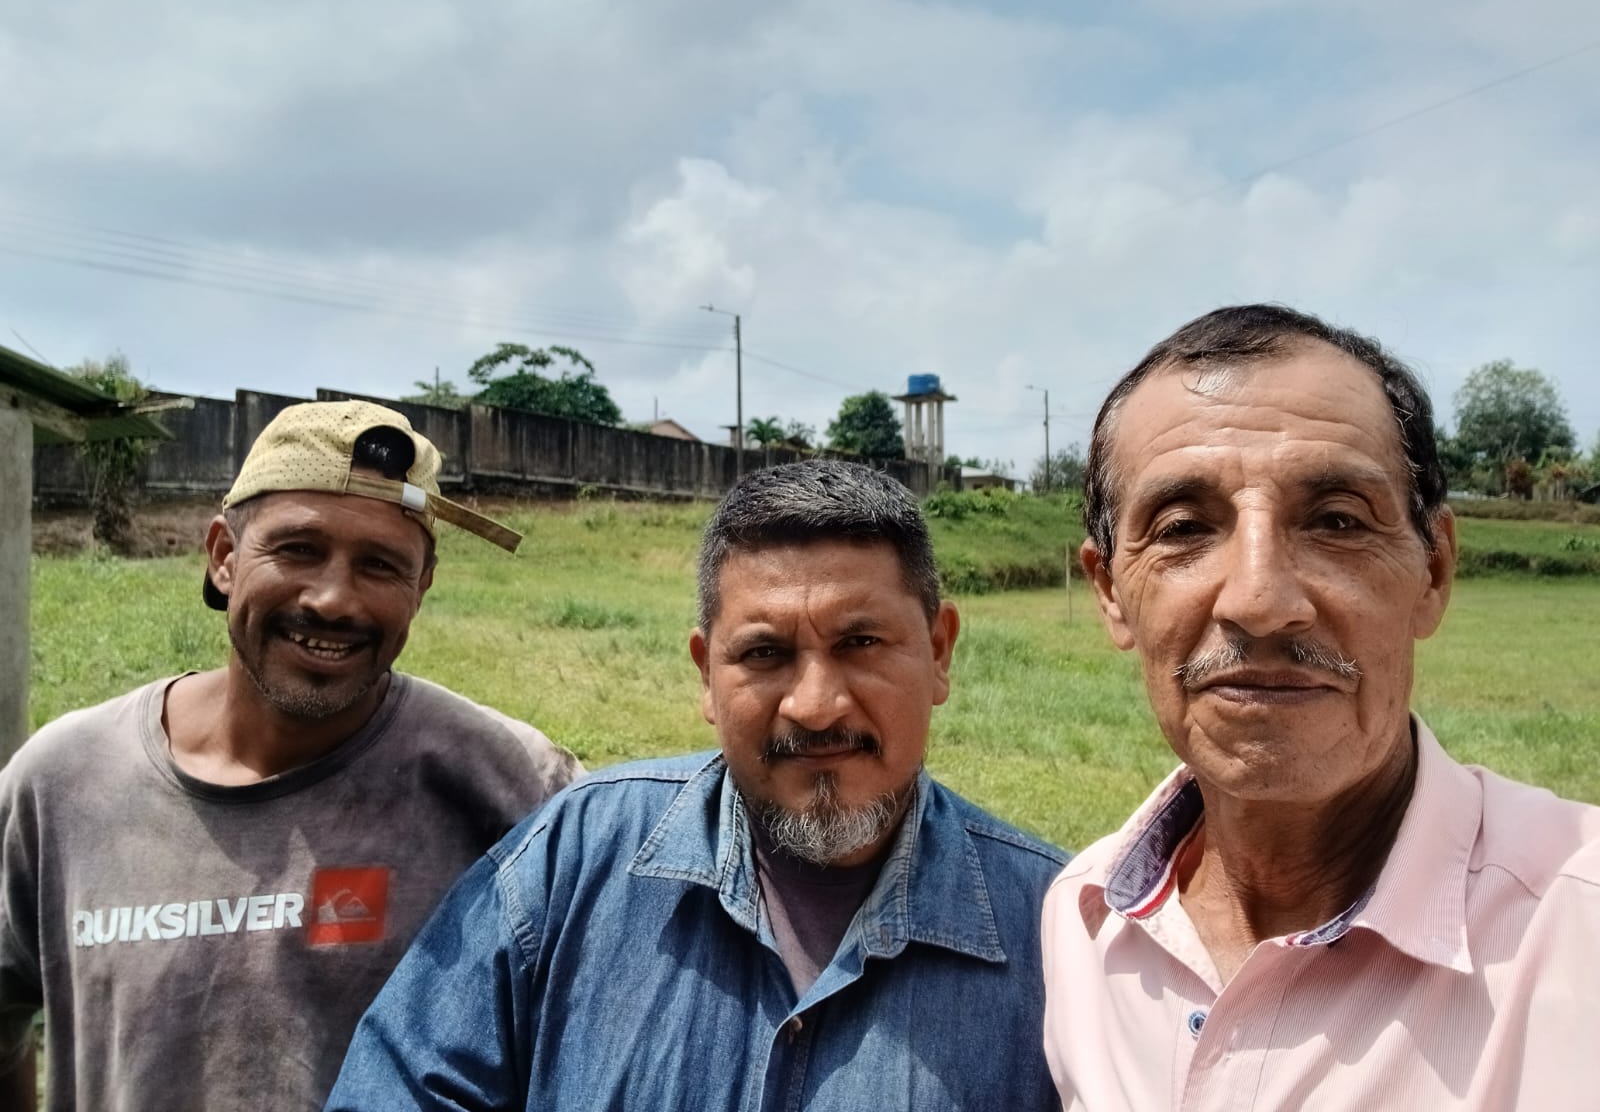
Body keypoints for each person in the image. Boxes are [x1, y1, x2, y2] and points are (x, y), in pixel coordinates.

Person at [326, 459, 1067, 1111]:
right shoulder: (570, 866)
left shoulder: (1061, 935)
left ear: (938, 652)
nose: (815, 706)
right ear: (706, 674)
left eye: (861, 643)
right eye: (765, 653)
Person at [1042, 304, 1600, 1110]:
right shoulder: (1084, 923)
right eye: (1184, 528)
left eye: (1337, 522)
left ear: (1434, 572)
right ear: (1110, 591)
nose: (1260, 600)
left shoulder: (1578, 925)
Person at [0, 399, 581, 1111]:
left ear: (421, 587)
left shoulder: (515, 784)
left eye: (380, 566)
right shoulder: (63, 784)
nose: (333, 599)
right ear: (224, 556)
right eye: (299, 549)